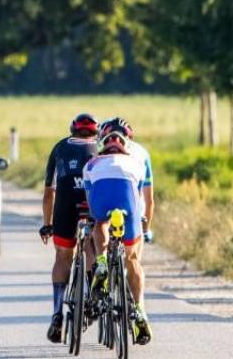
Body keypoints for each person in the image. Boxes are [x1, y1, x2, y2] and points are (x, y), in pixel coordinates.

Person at [83, 129, 153, 345]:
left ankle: (102, 261)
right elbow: (140, 195)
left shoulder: (92, 163)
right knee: (132, 259)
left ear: (103, 147)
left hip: (100, 197)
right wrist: (143, 225)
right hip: (129, 204)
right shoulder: (137, 162)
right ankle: (140, 310)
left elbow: (89, 194)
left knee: (99, 222)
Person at [39, 113, 99, 343]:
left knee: (63, 256)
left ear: (72, 130)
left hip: (65, 205)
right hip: (92, 202)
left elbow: (49, 192)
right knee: (94, 244)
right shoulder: (101, 146)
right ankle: (94, 294)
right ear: (95, 132)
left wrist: (47, 224)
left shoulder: (60, 147)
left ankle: (56, 313)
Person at [99, 117, 154, 244]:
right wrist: (146, 230)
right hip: (133, 208)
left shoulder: (99, 149)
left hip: (103, 206)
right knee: (132, 258)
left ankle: (101, 260)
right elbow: (149, 200)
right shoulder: (142, 153)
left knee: (97, 231)